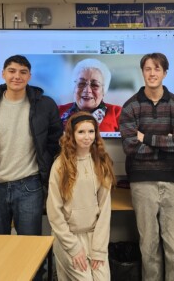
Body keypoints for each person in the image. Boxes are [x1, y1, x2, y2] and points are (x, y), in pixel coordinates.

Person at [0, 55, 63, 279]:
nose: (17, 76)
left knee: (31, 248)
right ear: (3, 74)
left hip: (30, 186)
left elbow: (56, 141)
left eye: (22, 72)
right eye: (12, 71)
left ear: (29, 75)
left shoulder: (44, 105)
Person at [119, 52, 174, 281]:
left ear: (165, 73)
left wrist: (147, 137)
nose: (152, 73)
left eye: (157, 69)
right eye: (148, 69)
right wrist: (166, 141)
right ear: (142, 72)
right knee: (148, 246)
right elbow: (130, 147)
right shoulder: (130, 107)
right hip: (142, 183)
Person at [46, 112, 116, 281]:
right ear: (71, 134)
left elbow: (105, 211)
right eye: (81, 132)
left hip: (94, 237)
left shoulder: (102, 162)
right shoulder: (60, 166)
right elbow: (55, 213)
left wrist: (99, 249)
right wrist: (73, 248)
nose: (87, 137)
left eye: (91, 132)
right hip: (68, 237)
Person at [59, 58, 121, 132]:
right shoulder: (56, 111)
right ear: (74, 87)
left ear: (103, 90)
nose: (87, 90)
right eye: (81, 83)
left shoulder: (118, 113)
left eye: (95, 85)